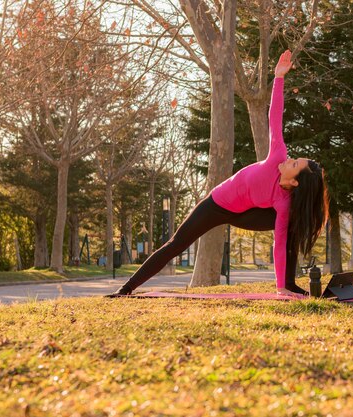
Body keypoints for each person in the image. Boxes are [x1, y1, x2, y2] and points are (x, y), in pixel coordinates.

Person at [108, 50, 329, 297]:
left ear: (295, 182)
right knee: (177, 243)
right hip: (218, 204)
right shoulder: (277, 155)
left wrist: (278, 287)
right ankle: (125, 289)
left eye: (295, 163)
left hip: (246, 213)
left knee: (290, 227)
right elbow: (274, 117)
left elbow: (280, 244)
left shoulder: (285, 202)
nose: (289, 159)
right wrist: (278, 77)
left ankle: (287, 287)